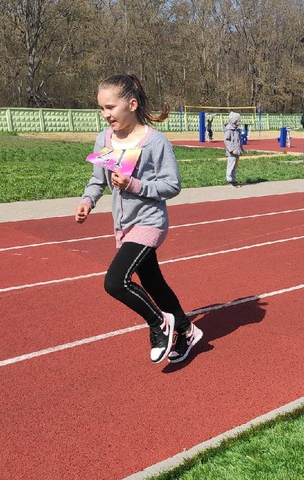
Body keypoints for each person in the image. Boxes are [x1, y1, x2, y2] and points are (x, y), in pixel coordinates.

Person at [75, 74, 203, 364]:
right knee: (154, 283)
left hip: (149, 222)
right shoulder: (104, 139)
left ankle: (159, 323)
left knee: (115, 282)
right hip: (123, 224)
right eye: (101, 109)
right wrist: (87, 202)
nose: (106, 115)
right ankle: (186, 330)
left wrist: (135, 185)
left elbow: (172, 186)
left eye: (110, 107)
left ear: (131, 104)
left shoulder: (155, 142)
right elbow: (98, 180)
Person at [224, 111, 243, 187]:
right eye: (238, 120)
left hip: (237, 151)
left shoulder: (236, 130)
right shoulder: (229, 130)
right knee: (231, 166)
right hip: (231, 152)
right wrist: (232, 149)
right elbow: (227, 141)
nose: (239, 122)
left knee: (235, 166)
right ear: (234, 121)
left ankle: (233, 179)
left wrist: (240, 149)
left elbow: (238, 141)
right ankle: (229, 180)